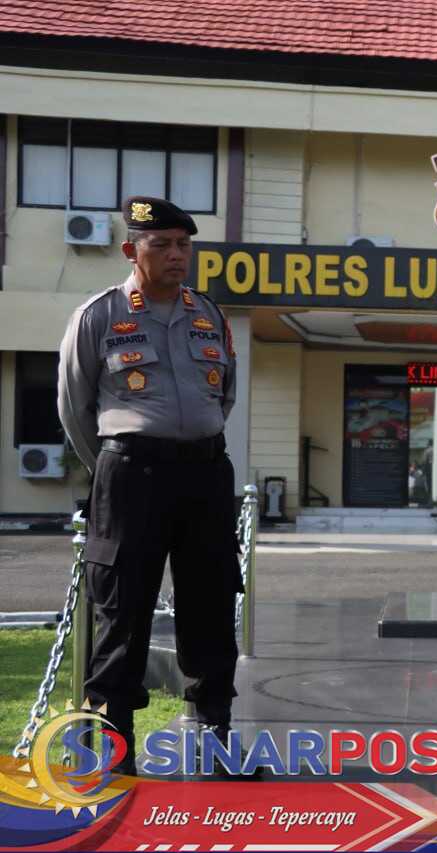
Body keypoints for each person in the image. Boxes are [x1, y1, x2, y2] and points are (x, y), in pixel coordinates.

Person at [57, 196, 242, 776]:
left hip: (205, 474)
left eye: (183, 244)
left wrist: (192, 444)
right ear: (130, 250)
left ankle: (213, 744)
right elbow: (74, 405)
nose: (175, 255)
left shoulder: (209, 314)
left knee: (210, 607)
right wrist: (119, 460)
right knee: (123, 612)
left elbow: (224, 396)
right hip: (131, 475)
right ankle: (113, 755)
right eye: (160, 244)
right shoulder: (100, 315)